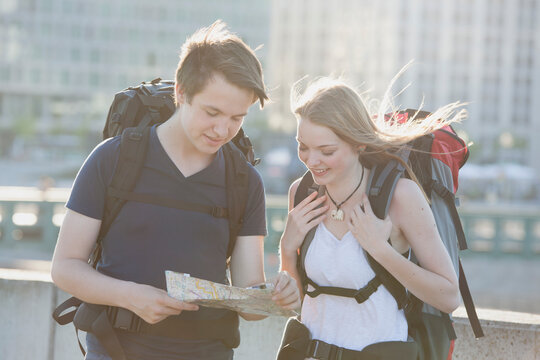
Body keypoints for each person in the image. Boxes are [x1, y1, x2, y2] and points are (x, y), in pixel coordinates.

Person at [51, 21, 300, 360]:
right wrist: (130, 296)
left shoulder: (245, 181)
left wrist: (274, 295)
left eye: (236, 118)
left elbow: (248, 298)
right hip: (116, 350)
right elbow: (65, 267)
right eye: (212, 112)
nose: (222, 129)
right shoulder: (114, 159)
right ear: (181, 92)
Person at [279, 77, 465, 359]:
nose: (311, 160)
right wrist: (286, 251)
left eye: (326, 151)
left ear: (359, 144)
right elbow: (294, 302)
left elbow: (449, 297)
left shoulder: (400, 197)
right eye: (303, 146)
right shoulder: (301, 193)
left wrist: (380, 249)